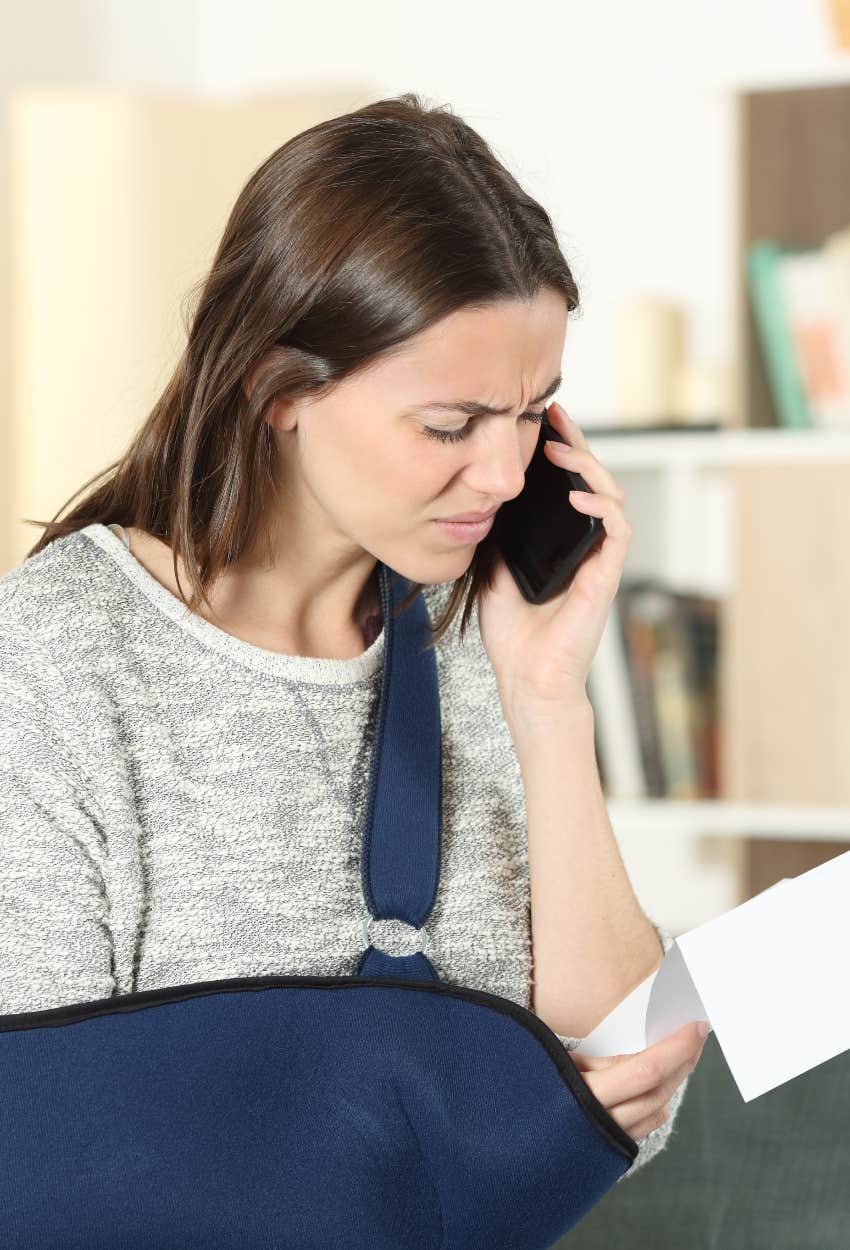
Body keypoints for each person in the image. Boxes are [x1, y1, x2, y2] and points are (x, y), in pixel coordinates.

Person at [0, 91, 706, 1179]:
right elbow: (47, 1141)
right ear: (280, 388)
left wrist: (548, 699)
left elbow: (627, 1084)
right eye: (450, 423)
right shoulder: (56, 664)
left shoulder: (479, 634)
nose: (508, 473)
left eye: (532, 413)